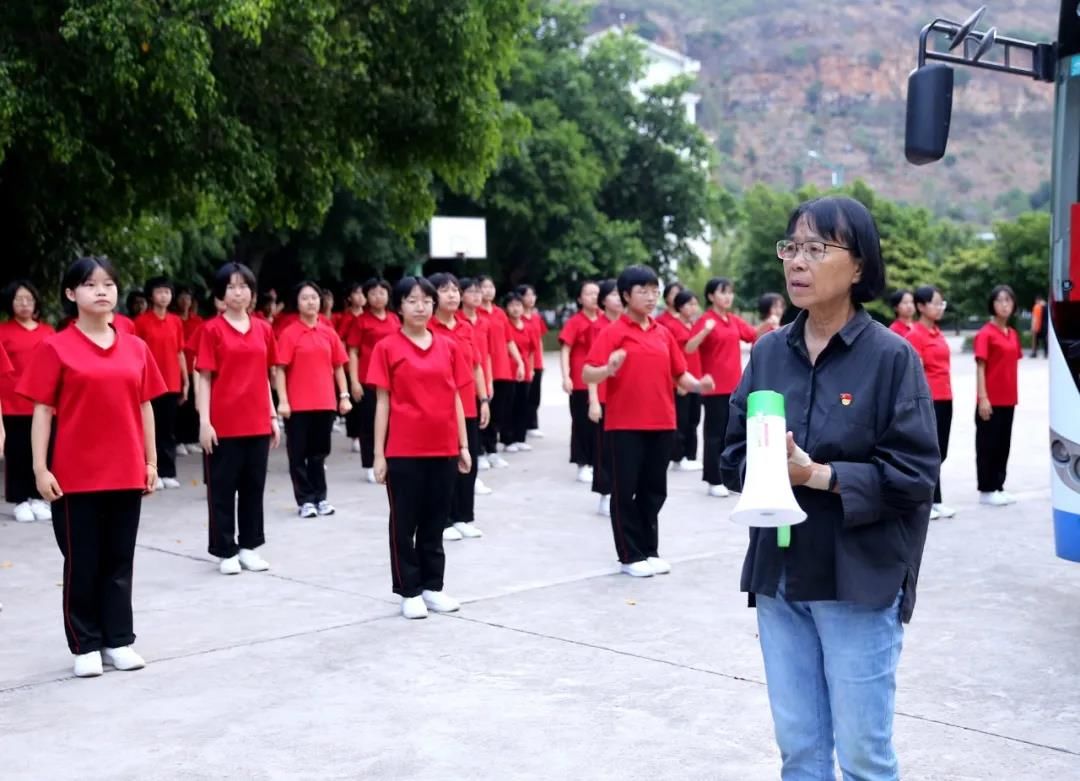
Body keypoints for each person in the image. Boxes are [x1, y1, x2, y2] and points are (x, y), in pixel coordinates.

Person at [721, 196, 938, 781]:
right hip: (780, 576)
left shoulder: (893, 358)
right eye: (791, 247)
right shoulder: (768, 352)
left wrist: (816, 475)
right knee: (801, 753)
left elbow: (915, 477)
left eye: (817, 249)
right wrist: (764, 468)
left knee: (864, 757)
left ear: (860, 265)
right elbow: (731, 454)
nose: (798, 262)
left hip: (858, 581)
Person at [18, 257, 167, 678]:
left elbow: (145, 406)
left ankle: (119, 640)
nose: (101, 291)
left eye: (108, 284)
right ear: (71, 294)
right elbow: (43, 410)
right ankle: (85, 643)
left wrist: (151, 460)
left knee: (120, 559)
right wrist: (40, 468)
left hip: (125, 471)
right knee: (82, 561)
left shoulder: (135, 347)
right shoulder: (55, 346)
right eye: (89, 284)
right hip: (74, 476)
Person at [583, 265, 714, 577]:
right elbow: (588, 371)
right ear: (626, 295)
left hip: (662, 422)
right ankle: (629, 555)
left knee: (654, 490)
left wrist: (698, 385)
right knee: (624, 490)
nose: (651, 296)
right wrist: (607, 371)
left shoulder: (662, 333)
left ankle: (649, 549)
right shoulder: (612, 332)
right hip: (624, 425)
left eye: (655, 290)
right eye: (643, 290)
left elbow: (679, 373)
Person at [369, 276, 472, 619]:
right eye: (412, 300)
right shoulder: (387, 348)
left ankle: (432, 587)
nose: (420, 306)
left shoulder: (448, 346)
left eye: (426, 300)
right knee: (404, 523)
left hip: (442, 448)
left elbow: (455, 395)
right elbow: (382, 403)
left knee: (435, 522)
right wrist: (378, 454)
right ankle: (408, 589)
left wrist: (463, 444)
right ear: (399, 306)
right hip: (403, 450)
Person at [196, 262, 280, 576]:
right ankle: (225, 549)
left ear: (252, 292)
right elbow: (204, 378)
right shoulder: (211, 330)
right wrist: (204, 421)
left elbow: (264, 376)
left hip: (256, 421)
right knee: (221, 488)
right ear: (221, 293)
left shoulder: (263, 329)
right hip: (224, 424)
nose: (238, 292)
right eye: (231, 286)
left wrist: (272, 415)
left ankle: (249, 546)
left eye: (243, 286)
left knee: (253, 487)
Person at [275, 281, 352, 518]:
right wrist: (283, 401)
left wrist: (344, 395)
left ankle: (321, 497)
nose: (311, 302)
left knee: (319, 454)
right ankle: (305, 500)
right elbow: (280, 369)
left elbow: (339, 366)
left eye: (314, 297)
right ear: (297, 303)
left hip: (325, 403)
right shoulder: (290, 333)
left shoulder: (328, 332)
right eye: (305, 298)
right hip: (298, 405)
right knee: (298, 455)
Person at [430, 272, 491, 540]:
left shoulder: (466, 327)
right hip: (437, 409)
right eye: (445, 290)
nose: (453, 294)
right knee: (442, 467)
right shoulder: (428, 328)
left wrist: (484, 398)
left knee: (468, 462)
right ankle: (441, 520)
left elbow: (476, 365)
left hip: (467, 405)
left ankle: (464, 517)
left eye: (455, 289)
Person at [686, 277, 757, 498]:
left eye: (730, 292)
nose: (727, 296)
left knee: (733, 434)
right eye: (722, 292)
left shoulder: (733, 320)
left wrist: (771, 323)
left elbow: (753, 335)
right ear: (710, 296)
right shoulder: (706, 320)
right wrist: (705, 331)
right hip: (714, 388)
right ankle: (713, 479)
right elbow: (689, 347)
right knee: (714, 434)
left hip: (735, 387)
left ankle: (731, 479)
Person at [0, 280, 54, 522]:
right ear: (10, 303)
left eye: (29, 299)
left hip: (44, 403)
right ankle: (20, 500)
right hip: (14, 404)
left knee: (43, 453)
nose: (24, 304)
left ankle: (39, 497)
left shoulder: (48, 332)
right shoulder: (3, 331)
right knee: (18, 452)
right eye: (19, 299)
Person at [135, 277, 189, 491]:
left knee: (168, 430)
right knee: (149, 430)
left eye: (167, 291)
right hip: (148, 383)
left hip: (171, 382)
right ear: (151, 295)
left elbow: (180, 352)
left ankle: (168, 471)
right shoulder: (141, 322)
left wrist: (186, 381)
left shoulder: (176, 321)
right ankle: (150, 472)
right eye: (160, 291)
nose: (164, 296)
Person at [908, 285, 956, 520]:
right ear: (921, 306)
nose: (939, 307)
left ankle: (934, 500)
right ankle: (930, 501)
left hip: (945, 398)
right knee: (930, 451)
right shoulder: (915, 335)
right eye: (935, 303)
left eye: (941, 303)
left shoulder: (937, 332)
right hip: (929, 400)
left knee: (941, 450)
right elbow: (914, 374)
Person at [974, 284, 1023, 507]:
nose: (1005, 304)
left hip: (1008, 399)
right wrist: (983, 398)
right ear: (992, 305)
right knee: (987, 446)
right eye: (1000, 300)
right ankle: (986, 489)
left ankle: (999, 486)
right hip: (990, 401)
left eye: (1008, 300)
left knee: (1003, 445)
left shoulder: (1012, 334)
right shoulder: (985, 333)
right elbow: (981, 367)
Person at [346, 279, 399, 479]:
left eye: (382, 292)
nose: (379, 296)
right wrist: (354, 381)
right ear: (367, 296)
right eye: (374, 293)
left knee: (392, 421)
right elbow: (353, 351)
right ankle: (369, 464)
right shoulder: (361, 321)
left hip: (393, 379)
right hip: (368, 379)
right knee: (369, 422)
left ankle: (389, 457)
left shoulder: (395, 319)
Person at [477, 275, 525, 467]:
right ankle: (481, 449)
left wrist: (520, 361)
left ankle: (492, 449)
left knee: (499, 411)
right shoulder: (475, 313)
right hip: (485, 370)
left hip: (503, 369)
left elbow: (509, 340)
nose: (488, 290)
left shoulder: (499, 313)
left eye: (491, 286)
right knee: (483, 412)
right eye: (483, 287)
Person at [559, 280, 601, 483]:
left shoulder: (605, 320)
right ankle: (582, 463)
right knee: (582, 423)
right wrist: (566, 376)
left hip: (602, 380)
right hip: (581, 379)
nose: (594, 297)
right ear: (579, 299)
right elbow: (565, 349)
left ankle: (597, 462)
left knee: (600, 425)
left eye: (597, 293)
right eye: (589, 293)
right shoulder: (575, 321)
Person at [588, 279, 623, 516]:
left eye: (621, 294)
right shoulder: (597, 327)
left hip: (627, 398)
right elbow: (590, 366)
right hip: (603, 395)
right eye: (613, 294)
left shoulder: (629, 325)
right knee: (604, 448)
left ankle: (621, 492)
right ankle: (604, 493)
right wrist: (592, 400)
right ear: (603, 300)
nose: (618, 299)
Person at [458, 277, 496, 490]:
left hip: (477, 383)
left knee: (478, 425)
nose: (477, 295)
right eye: (471, 292)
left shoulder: (483, 322)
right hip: (457, 389)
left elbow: (483, 358)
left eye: (478, 292)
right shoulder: (455, 321)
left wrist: (487, 383)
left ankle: (473, 474)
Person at [661, 289, 704, 472]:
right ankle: (677, 456)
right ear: (679, 306)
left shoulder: (693, 325)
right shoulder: (673, 326)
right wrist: (677, 381)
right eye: (689, 304)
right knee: (681, 419)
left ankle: (690, 455)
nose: (693, 308)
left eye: (695, 304)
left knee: (694, 418)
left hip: (695, 378)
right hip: (681, 380)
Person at [504, 292, 535, 453]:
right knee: (510, 405)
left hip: (525, 372)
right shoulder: (505, 326)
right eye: (512, 305)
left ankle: (520, 438)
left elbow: (531, 351)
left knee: (523, 405)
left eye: (518, 305)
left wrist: (530, 370)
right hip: (508, 371)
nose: (515, 309)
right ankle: (508, 439)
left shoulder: (528, 327)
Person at [174, 286, 204, 456]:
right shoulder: (175, 320)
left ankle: (191, 438)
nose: (185, 301)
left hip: (195, 366)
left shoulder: (197, 321)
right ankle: (179, 440)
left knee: (194, 404)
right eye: (182, 298)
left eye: (188, 298)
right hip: (178, 366)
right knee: (181, 406)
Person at [517, 284, 548, 438]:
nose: (531, 298)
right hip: (524, 361)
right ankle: (521, 426)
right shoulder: (517, 318)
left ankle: (532, 424)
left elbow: (539, 340)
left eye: (533, 295)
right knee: (524, 396)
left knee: (535, 394)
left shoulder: (536, 318)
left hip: (537, 362)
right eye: (527, 295)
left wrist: (540, 361)